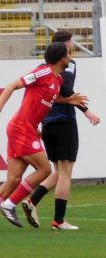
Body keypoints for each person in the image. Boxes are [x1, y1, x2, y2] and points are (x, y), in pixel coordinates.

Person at [0, 42, 87, 228]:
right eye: (68, 54)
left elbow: (52, 97)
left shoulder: (57, 80)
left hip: (27, 129)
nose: (70, 57)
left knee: (14, 179)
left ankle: (7, 201)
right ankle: (9, 204)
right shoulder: (44, 72)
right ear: (61, 58)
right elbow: (13, 85)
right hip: (21, 128)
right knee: (45, 169)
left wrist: (69, 100)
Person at [21, 31, 100, 231]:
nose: (73, 45)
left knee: (57, 171)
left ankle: (32, 201)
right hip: (64, 121)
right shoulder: (68, 63)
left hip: (47, 123)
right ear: (65, 47)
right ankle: (59, 221)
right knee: (65, 172)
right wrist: (86, 110)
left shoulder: (41, 67)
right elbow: (66, 88)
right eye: (71, 42)